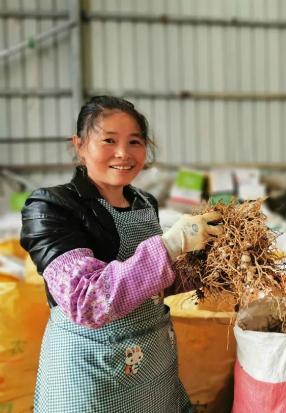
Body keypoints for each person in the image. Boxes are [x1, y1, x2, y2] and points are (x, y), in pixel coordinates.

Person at [20, 96, 222, 412]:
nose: (123, 153)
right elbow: (87, 300)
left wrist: (215, 266)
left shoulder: (144, 203)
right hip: (91, 375)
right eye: (109, 141)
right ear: (80, 145)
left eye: (134, 142)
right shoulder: (51, 207)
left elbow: (151, 283)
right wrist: (171, 245)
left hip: (154, 367)